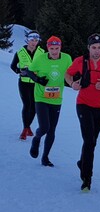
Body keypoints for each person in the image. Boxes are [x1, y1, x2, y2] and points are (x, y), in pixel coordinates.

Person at [65, 33, 100, 191]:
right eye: (94, 47)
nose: (97, 51)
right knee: (89, 140)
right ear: (88, 48)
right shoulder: (80, 61)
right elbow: (68, 74)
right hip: (83, 104)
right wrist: (72, 83)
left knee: (92, 141)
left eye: (99, 47)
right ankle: (87, 179)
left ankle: (82, 162)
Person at [23, 36, 72, 167]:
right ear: (48, 48)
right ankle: (37, 138)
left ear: (60, 47)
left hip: (56, 98)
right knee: (45, 127)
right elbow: (29, 71)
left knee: (52, 129)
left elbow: (70, 73)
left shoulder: (67, 58)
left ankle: (45, 157)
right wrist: (38, 80)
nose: (54, 51)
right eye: (52, 48)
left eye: (57, 48)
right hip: (41, 97)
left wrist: (75, 80)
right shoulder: (40, 58)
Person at [10, 30, 45, 140]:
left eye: (36, 40)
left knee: (35, 106)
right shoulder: (20, 52)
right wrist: (19, 71)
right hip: (24, 83)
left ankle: (28, 126)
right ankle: (25, 129)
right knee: (27, 105)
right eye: (32, 40)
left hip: (36, 83)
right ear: (27, 40)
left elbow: (45, 67)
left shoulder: (42, 52)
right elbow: (13, 66)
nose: (34, 42)